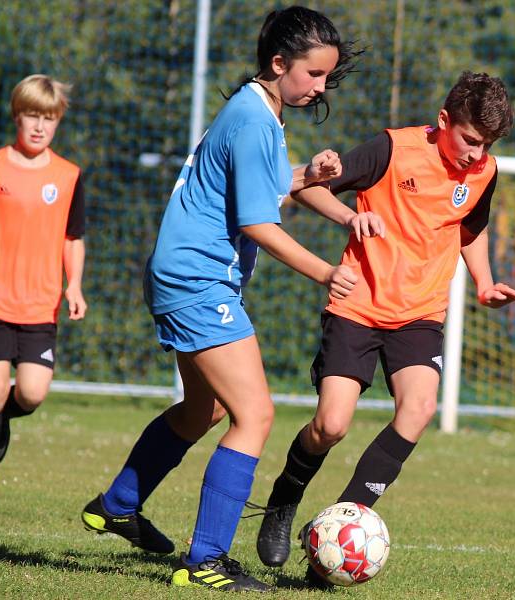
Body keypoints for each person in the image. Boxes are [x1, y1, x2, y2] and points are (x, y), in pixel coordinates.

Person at [80, 6, 365, 593]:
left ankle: (117, 504)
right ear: (279, 62)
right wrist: (324, 272)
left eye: (326, 77)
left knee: (202, 410)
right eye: (312, 74)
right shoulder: (255, 119)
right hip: (197, 280)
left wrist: (310, 177)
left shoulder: (254, 109)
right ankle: (204, 559)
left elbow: (263, 186)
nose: (319, 87)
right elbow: (258, 222)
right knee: (255, 415)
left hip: (185, 274)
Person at [253, 71, 515, 585]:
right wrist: (347, 218)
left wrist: (485, 282)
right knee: (330, 426)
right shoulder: (391, 149)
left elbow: (471, 225)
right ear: (444, 121)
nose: (476, 153)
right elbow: (309, 188)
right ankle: (283, 500)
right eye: (470, 139)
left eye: (487, 145)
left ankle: (337, 528)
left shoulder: (484, 172)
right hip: (357, 305)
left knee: (419, 408)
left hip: (421, 314)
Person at [0, 74, 87, 501]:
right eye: (31, 116)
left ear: (58, 120)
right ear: (16, 117)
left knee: (31, 392)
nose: (40, 126)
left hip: (40, 304)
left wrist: (74, 285)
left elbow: (72, 236)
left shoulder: (68, 175)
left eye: (49, 118)